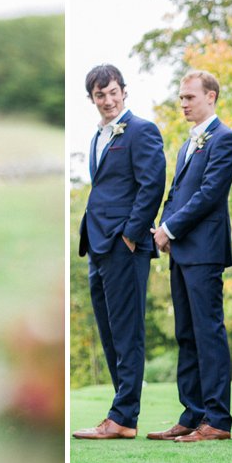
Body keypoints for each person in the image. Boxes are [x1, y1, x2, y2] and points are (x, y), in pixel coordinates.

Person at [72, 64, 165, 440]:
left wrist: (130, 235)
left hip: (124, 245)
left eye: (113, 92)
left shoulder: (142, 130)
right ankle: (121, 413)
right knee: (109, 332)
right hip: (97, 245)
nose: (108, 100)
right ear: (91, 98)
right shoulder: (98, 135)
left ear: (124, 91)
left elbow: (152, 184)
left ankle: (124, 415)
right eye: (100, 95)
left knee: (127, 331)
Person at [147, 70, 232, 442]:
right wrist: (164, 226)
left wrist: (169, 229)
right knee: (185, 333)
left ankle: (217, 420)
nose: (183, 103)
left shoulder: (225, 138)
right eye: (181, 97)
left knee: (208, 332)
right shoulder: (189, 143)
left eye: (190, 97)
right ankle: (192, 413)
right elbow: (177, 193)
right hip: (182, 251)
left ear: (212, 97)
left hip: (204, 251)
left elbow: (208, 195)